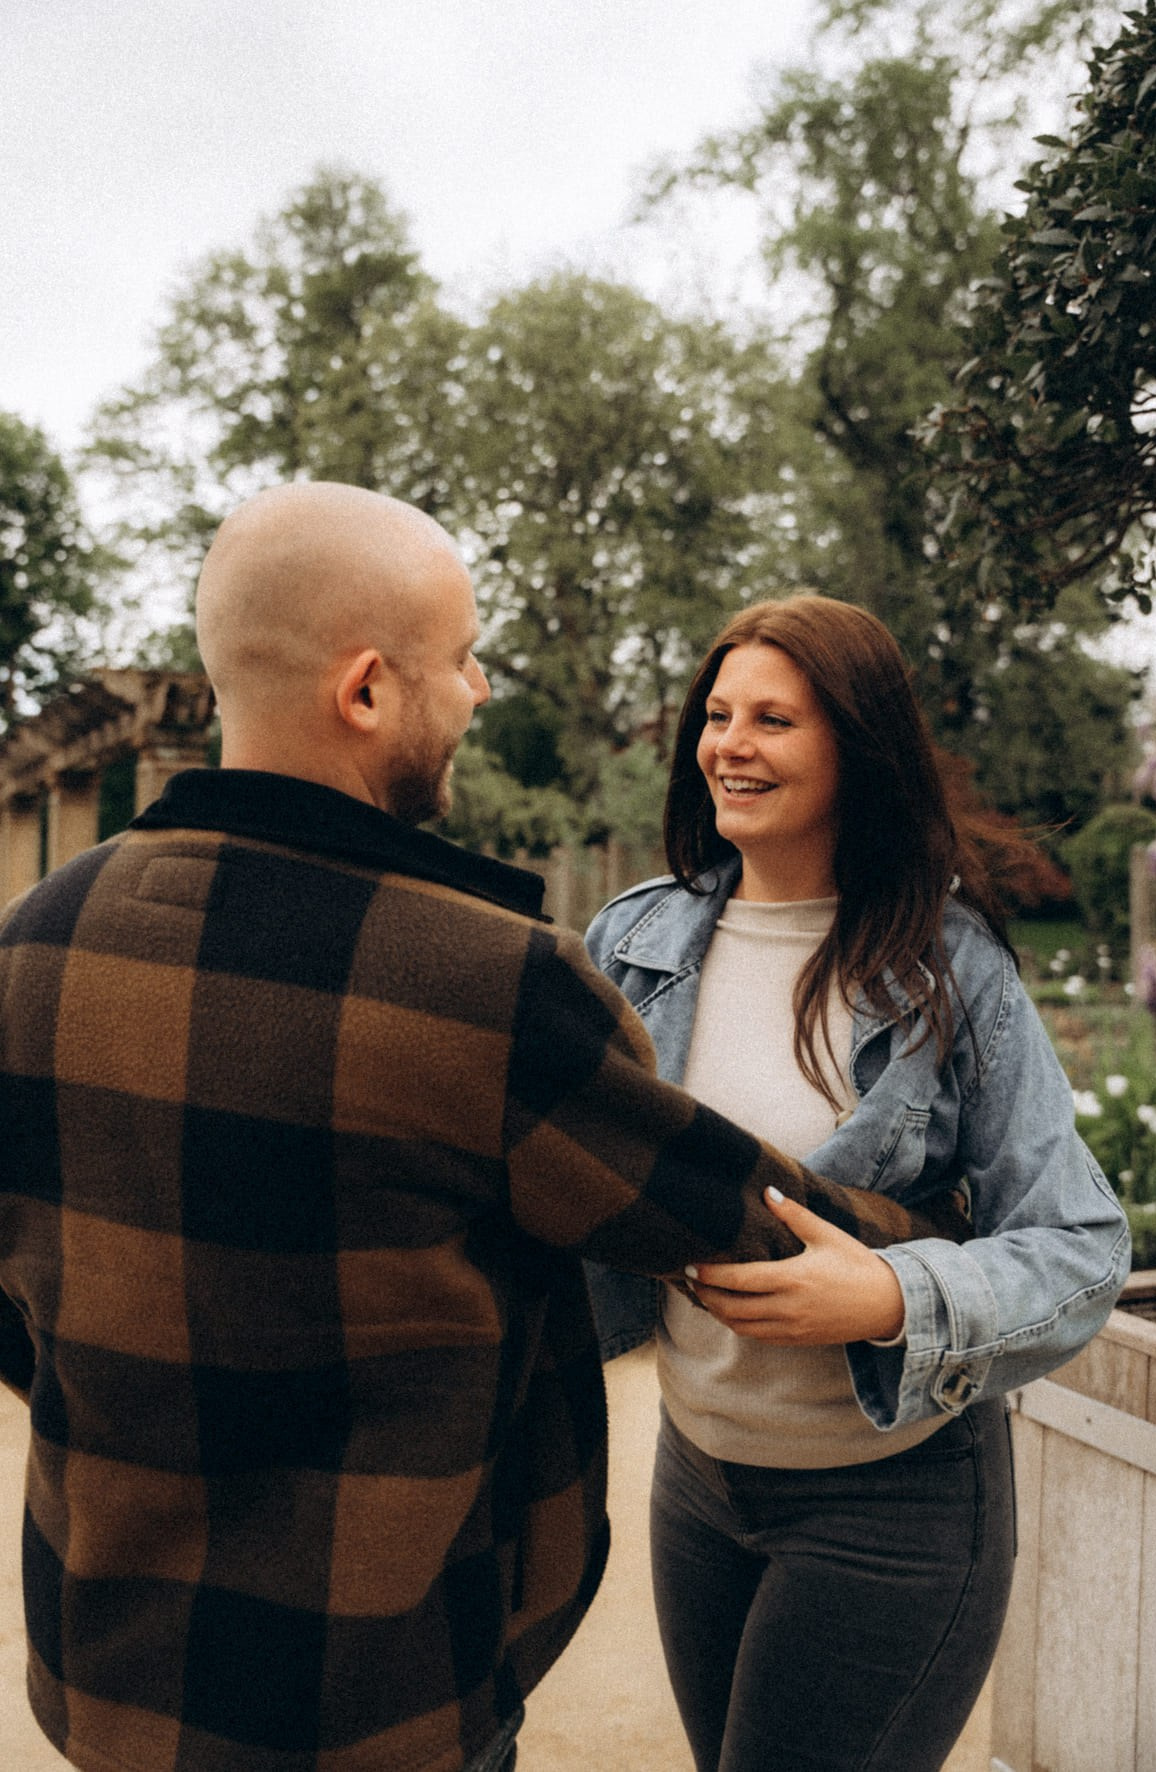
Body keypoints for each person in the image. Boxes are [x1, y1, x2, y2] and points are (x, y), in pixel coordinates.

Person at [0, 488, 966, 1772]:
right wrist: (936, 1247)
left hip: (110, 1681)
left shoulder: (32, 944)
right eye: (458, 657)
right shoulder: (479, 981)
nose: (478, 687)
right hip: (383, 1693)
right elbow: (736, 1213)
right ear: (364, 691)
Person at [584, 594, 1131, 1772]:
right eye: (716, 713)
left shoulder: (950, 967)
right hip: (698, 1480)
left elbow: (1082, 1243)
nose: (728, 744)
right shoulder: (631, 943)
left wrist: (889, 1298)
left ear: (854, 746)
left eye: (772, 718)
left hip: (894, 1506)